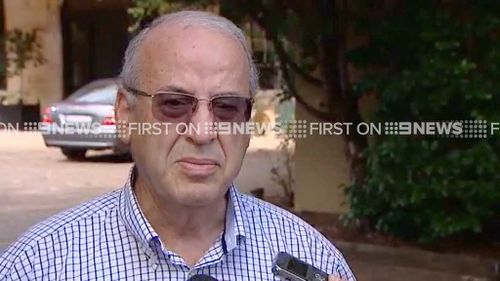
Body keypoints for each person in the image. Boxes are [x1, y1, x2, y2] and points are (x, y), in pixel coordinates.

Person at [0, 11, 356, 281]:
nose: (202, 132)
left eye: (227, 107)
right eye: (174, 104)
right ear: (124, 113)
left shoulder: (310, 256)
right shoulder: (38, 265)